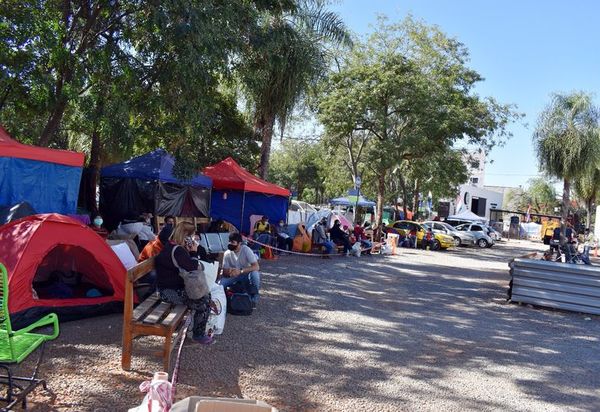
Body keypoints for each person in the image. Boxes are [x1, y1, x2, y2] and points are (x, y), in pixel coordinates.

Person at [155, 222, 213, 344]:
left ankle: (196, 330)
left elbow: (186, 265)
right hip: (168, 292)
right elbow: (194, 266)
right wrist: (194, 252)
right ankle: (198, 334)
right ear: (185, 235)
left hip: (165, 288)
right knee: (205, 300)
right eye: (192, 236)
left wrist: (190, 252)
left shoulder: (171, 246)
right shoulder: (178, 250)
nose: (193, 238)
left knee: (205, 296)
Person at [220, 233, 261, 306]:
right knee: (221, 284)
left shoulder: (246, 250)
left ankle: (254, 298)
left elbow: (256, 267)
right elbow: (224, 272)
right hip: (233, 276)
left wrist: (241, 271)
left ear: (239, 243)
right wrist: (229, 272)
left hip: (245, 275)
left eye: (233, 242)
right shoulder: (227, 253)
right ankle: (223, 300)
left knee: (255, 274)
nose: (230, 244)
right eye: (229, 241)